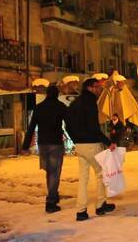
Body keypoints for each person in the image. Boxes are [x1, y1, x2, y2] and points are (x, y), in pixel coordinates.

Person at [66, 78, 117, 222]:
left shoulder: (75, 103)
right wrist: (108, 142)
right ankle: (101, 205)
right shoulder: (90, 103)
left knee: (83, 178)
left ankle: (81, 211)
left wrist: (75, 139)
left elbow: (67, 124)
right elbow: (94, 127)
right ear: (90, 87)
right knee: (101, 172)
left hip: (80, 146)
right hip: (91, 144)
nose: (99, 89)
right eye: (97, 87)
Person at [22, 85, 68, 213]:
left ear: (47, 94)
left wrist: (25, 145)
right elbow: (70, 123)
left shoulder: (39, 107)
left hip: (42, 144)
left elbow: (31, 127)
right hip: (55, 143)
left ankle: (53, 194)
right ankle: (51, 202)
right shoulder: (60, 107)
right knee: (55, 173)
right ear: (57, 94)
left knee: (49, 172)